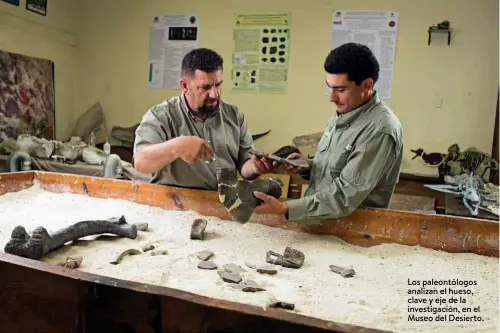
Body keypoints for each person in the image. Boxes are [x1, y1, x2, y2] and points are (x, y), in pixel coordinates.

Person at [253, 42, 403, 223]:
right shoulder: (345, 113)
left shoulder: (380, 129)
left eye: (340, 89)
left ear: (366, 85)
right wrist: (306, 167)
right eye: (329, 87)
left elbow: (345, 195)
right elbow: (337, 167)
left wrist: (285, 207)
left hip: (354, 233)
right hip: (320, 225)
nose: (332, 98)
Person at [133, 48, 273, 190]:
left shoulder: (234, 115)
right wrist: (178, 146)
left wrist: (255, 167)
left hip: (222, 202)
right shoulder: (161, 115)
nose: (214, 94)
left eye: (218, 85)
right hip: (174, 203)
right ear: (185, 86)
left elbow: (244, 166)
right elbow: (140, 162)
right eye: (205, 87)